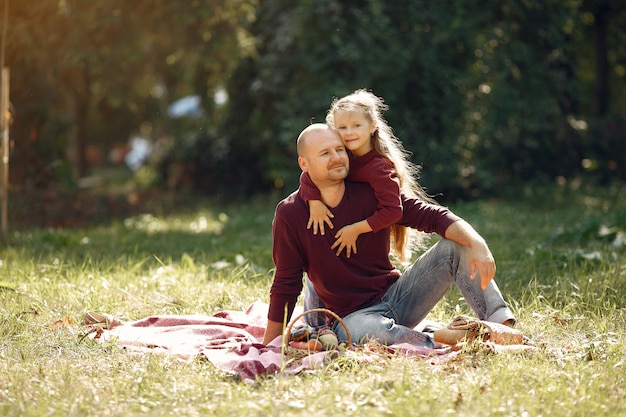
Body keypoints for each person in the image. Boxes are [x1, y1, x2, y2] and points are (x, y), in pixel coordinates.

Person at [261, 123, 515, 347]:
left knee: (457, 245)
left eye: (340, 150)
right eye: (325, 153)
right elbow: (286, 282)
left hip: (397, 297)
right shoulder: (291, 213)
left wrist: (476, 242)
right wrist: (270, 345)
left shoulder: (370, 193)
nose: (336, 158)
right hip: (353, 317)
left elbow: (430, 215)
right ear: (303, 164)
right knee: (365, 332)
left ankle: (502, 327)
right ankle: (439, 340)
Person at [300, 89, 429, 261]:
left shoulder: (379, 168)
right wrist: (313, 200)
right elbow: (311, 171)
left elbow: (393, 211)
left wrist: (355, 229)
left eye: (356, 125)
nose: (349, 133)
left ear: (372, 125)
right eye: (342, 127)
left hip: (362, 239)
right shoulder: (340, 155)